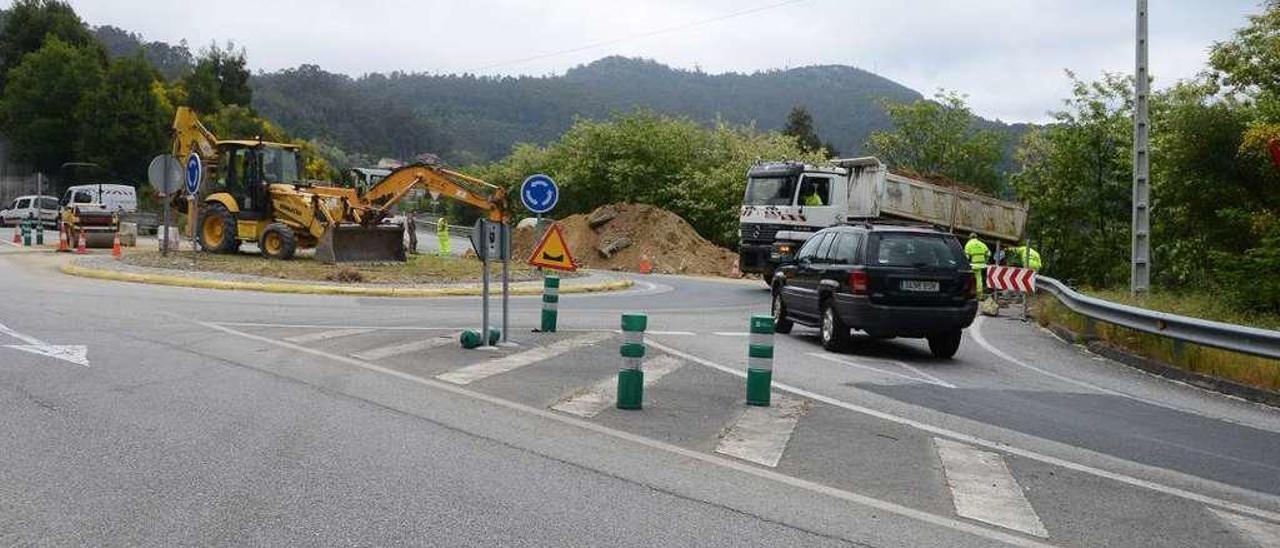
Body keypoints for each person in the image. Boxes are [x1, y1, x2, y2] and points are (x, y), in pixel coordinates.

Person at [963, 233, 990, 299]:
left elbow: (966, 256)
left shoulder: (968, 244)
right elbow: (988, 254)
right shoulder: (981, 244)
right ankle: (979, 295)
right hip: (981, 264)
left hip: (972, 264)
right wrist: (985, 261)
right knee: (979, 279)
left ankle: (969, 293)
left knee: (969, 279)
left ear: (970, 238)